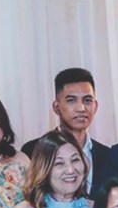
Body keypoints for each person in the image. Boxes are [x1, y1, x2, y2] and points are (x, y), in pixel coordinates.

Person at [22, 67, 112, 197]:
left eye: (87, 100)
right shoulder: (33, 149)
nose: (81, 108)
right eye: (71, 100)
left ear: (95, 106)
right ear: (56, 107)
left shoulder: (107, 155)